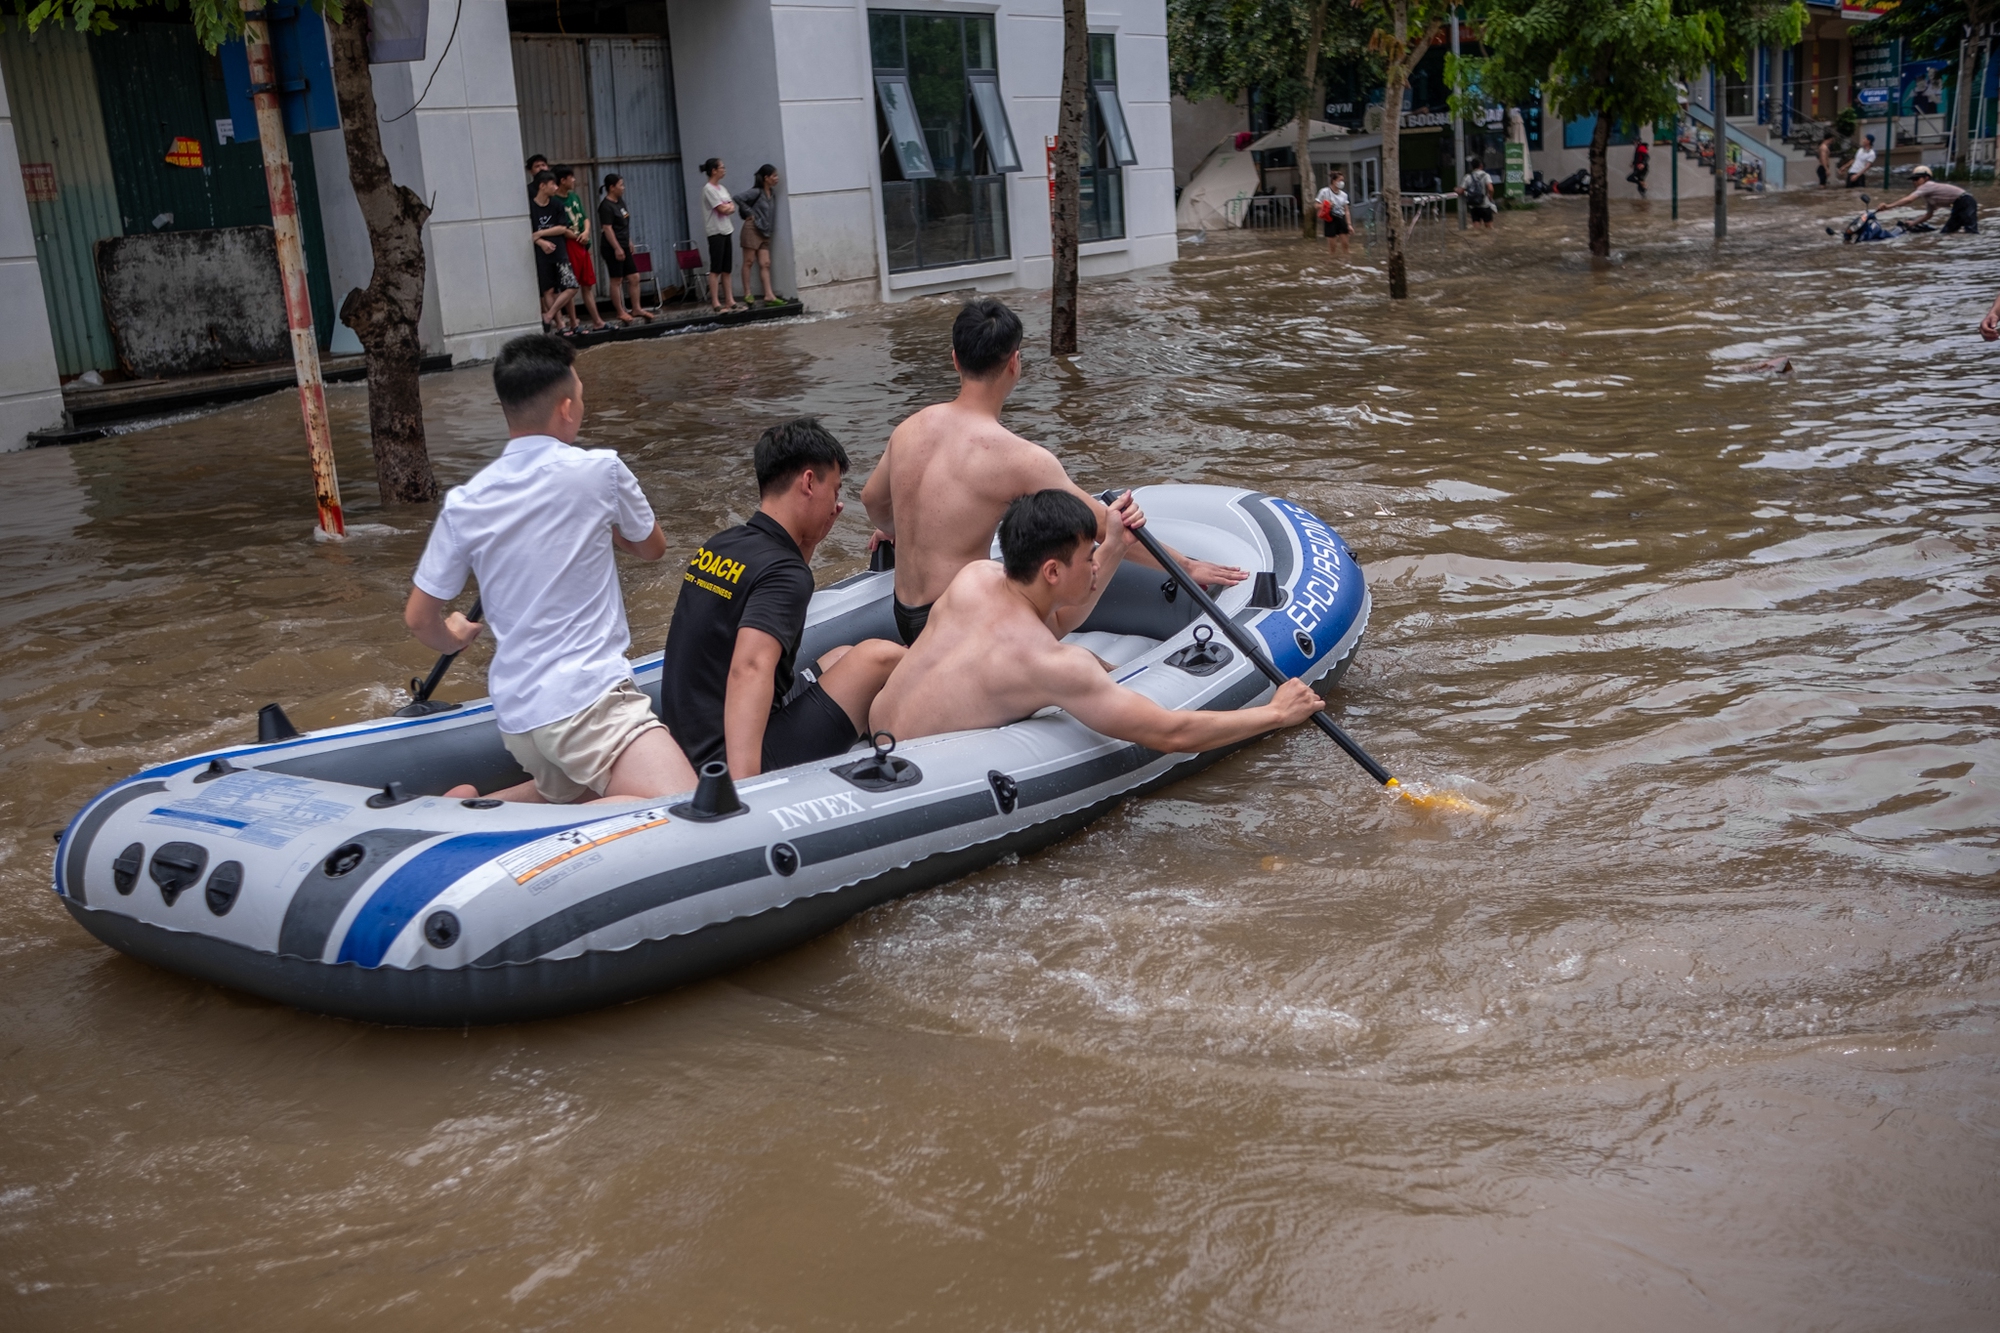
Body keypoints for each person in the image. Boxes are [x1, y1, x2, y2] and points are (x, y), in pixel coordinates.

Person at [406, 334, 697, 804]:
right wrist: (607, 530)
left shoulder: (466, 502)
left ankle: (469, 811)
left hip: (521, 720)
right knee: (685, 809)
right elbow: (652, 548)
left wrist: (454, 635)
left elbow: (420, 618)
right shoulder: (600, 470)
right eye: (580, 397)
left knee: (573, 795)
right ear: (566, 409)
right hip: (589, 703)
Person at [859, 297, 1245, 646]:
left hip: (905, 614)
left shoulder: (908, 429)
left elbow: (872, 500)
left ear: (955, 359)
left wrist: (898, 527)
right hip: (962, 621)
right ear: (1015, 363)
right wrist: (1188, 566)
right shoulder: (1017, 458)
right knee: (1093, 667)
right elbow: (1106, 526)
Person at [869, 489, 1326, 751]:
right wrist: (1275, 714)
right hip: (920, 766)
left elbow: (1039, 626)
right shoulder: (1055, 667)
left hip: (877, 728)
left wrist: (1113, 544)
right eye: (1088, 559)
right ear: (1051, 570)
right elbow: (1170, 731)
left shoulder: (975, 578)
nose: (1095, 567)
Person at [658, 419, 905, 777]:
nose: (836, 504)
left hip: (692, 743)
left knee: (840, 656)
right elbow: (751, 667)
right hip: (730, 762)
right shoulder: (785, 574)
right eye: (834, 491)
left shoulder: (722, 545)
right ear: (808, 482)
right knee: (876, 657)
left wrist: (809, 542)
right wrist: (744, 790)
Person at [554, 165, 606, 331]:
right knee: (571, 285)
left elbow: (585, 218)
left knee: (587, 284)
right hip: (569, 244)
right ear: (563, 180)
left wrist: (586, 232)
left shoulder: (574, 197)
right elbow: (560, 228)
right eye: (571, 177)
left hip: (582, 243)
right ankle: (574, 322)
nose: (574, 180)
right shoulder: (555, 202)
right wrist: (577, 236)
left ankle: (598, 321)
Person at [597, 174, 654, 325]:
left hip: (624, 244)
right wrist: (617, 248)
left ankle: (636, 308)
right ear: (612, 187)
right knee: (617, 279)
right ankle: (620, 311)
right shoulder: (606, 206)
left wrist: (629, 241)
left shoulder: (620, 202)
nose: (623, 188)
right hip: (612, 247)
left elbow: (624, 224)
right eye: (621, 185)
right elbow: (607, 229)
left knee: (634, 277)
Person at [529, 169, 579, 333]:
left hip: (559, 253)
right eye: (553, 184)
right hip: (541, 255)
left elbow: (562, 228)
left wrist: (541, 233)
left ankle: (549, 315)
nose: (556, 188)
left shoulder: (557, 205)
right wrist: (541, 242)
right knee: (548, 290)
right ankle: (560, 324)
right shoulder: (530, 207)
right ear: (542, 186)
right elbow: (528, 232)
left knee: (571, 286)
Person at [734, 164, 783, 306]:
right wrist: (750, 213)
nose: (776, 178)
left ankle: (769, 295)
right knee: (749, 261)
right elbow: (738, 198)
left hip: (765, 231)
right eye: (774, 176)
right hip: (752, 229)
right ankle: (747, 293)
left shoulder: (772, 194)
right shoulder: (756, 192)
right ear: (766, 178)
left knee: (765, 263)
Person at [1879, 164, 1979, 233]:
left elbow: (1909, 199)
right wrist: (1913, 223)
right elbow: (1928, 215)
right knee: (1946, 233)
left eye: (1917, 179)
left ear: (1926, 178)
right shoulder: (1928, 196)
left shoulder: (1927, 185)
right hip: (1959, 205)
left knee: (1971, 232)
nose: (1914, 182)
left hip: (1965, 201)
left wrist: (1888, 206)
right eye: (1913, 179)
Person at [699, 157, 739, 311]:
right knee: (716, 268)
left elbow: (731, 207)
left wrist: (727, 207)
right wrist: (727, 207)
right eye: (721, 167)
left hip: (726, 229)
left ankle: (730, 299)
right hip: (715, 231)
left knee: (726, 268)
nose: (724, 170)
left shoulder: (722, 188)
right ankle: (715, 301)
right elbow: (722, 209)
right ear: (714, 170)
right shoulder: (708, 189)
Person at [1314, 171, 1351, 257]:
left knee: (1345, 244)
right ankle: (1332, 261)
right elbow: (1316, 205)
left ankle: (1347, 262)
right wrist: (1325, 205)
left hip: (1341, 219)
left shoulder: (1344, 195)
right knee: (1332, 247)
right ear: (1334, 181)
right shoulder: (1324, 191)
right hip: (1330, 219)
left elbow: (1346, 210)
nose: (1342, 182)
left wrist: (1349, 224)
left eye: (1343, 180)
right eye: (1340, 180)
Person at [1456, 161, 1496, 228]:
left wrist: (1456, 189)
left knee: (1476, 229)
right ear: (1481, 165)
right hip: (1485, 205)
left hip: (1474, 205)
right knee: (1489, 228)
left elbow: (1460, 191)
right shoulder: (1486, 175)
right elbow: (1491, 189)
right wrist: (1490, 197)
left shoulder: (1467, 177)